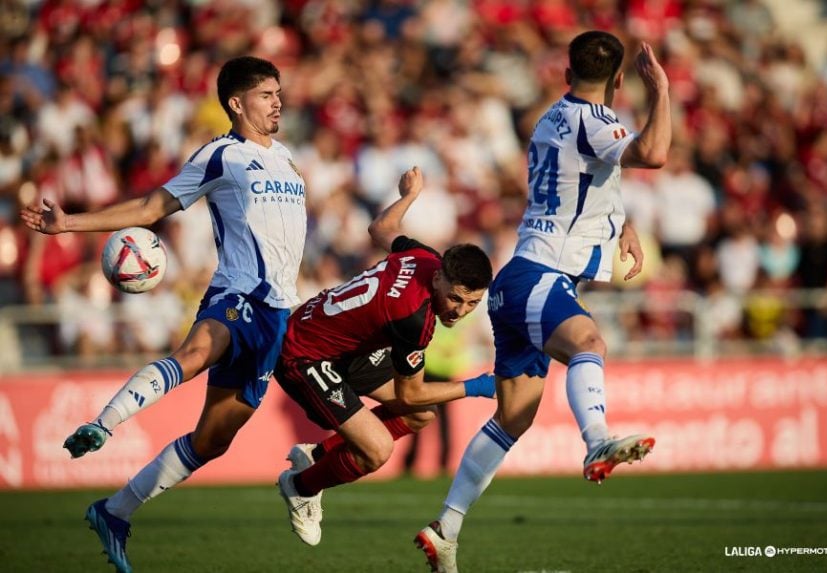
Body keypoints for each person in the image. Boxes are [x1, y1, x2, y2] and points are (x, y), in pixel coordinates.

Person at [20, 56, 306, 573]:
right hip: (238, 294)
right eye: (266, 94)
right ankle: (104, 423)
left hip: (277, 316)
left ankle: (114, 511)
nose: (278, 101)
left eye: (278, 92)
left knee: (213, 440)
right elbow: (153, 207)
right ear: (236, 104)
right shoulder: (221, 156)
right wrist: (68, 226)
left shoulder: (286, 158)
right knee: (195, 352)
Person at [414, 31, 672, 572]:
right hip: (541, 276)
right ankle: (597, 439)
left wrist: (621, 222)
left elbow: (584, 179)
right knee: (589, 341)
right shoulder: (598, 122)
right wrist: (662, 91)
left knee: (513, 418)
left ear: (565, 72)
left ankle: (447, 528)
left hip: (517, 280)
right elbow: (655, 152)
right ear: (621, 80)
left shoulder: (550, 118)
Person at [274, 167, 495, 546]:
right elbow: (410, 393)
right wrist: (478, 386)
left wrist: (409, 196)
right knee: (377, 450)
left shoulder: (423, 255)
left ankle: (318, 454)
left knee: (422, 415)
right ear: (439, 278)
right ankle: (301, 486)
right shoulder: (416, 319)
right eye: (456, 298)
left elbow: (379, 228)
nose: (459, 311)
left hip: (342, 344)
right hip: (304, 354)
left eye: (472, 303)